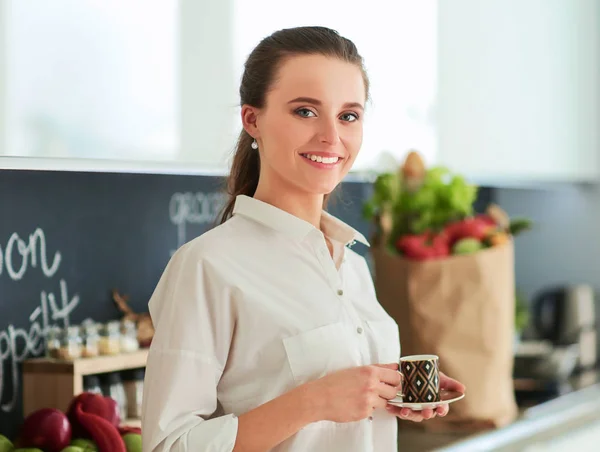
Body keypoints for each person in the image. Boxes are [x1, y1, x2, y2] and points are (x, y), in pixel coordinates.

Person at [141, 25, 465, 452]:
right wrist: (315, 401)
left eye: (348, 115)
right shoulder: (206, 266)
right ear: (252, 119)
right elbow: (168, 445)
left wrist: (388, 392)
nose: (332, 137)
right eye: (305, 111)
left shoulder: (350, 264)